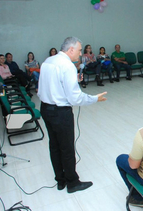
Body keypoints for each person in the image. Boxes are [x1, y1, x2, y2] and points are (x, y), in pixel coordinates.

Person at [38, 37, 107, 194]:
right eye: (79, 50)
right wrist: (95, 98)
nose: (81, 53)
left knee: (54, 146)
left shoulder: (48, 61)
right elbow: (75, 98)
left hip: (45, 109)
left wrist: (73, 80)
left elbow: (50, 84)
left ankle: (60, 180)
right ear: (70, 50)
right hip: (60, 113)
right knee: (67, 148)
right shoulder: (68, 66)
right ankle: (73, 183)